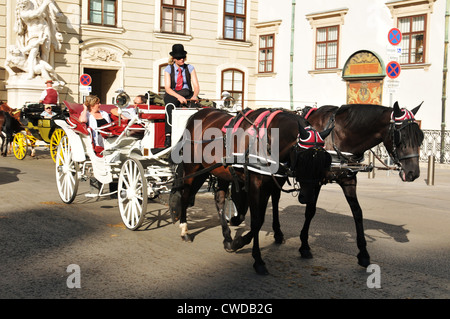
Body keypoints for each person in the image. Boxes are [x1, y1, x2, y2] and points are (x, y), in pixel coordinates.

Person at [163, 44, 200, 147]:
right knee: (170, 107)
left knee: (196, 109)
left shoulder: (190, 68)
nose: (182, 60)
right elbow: (167, 88)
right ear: (174, 59)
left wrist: (195, 96)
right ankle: (168, 135)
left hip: (187, 93)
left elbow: (196, 86)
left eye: (183, 57)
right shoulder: (168, 69)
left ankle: (195, 135)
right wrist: (178, 97)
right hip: (173, 93)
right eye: (179, 58)